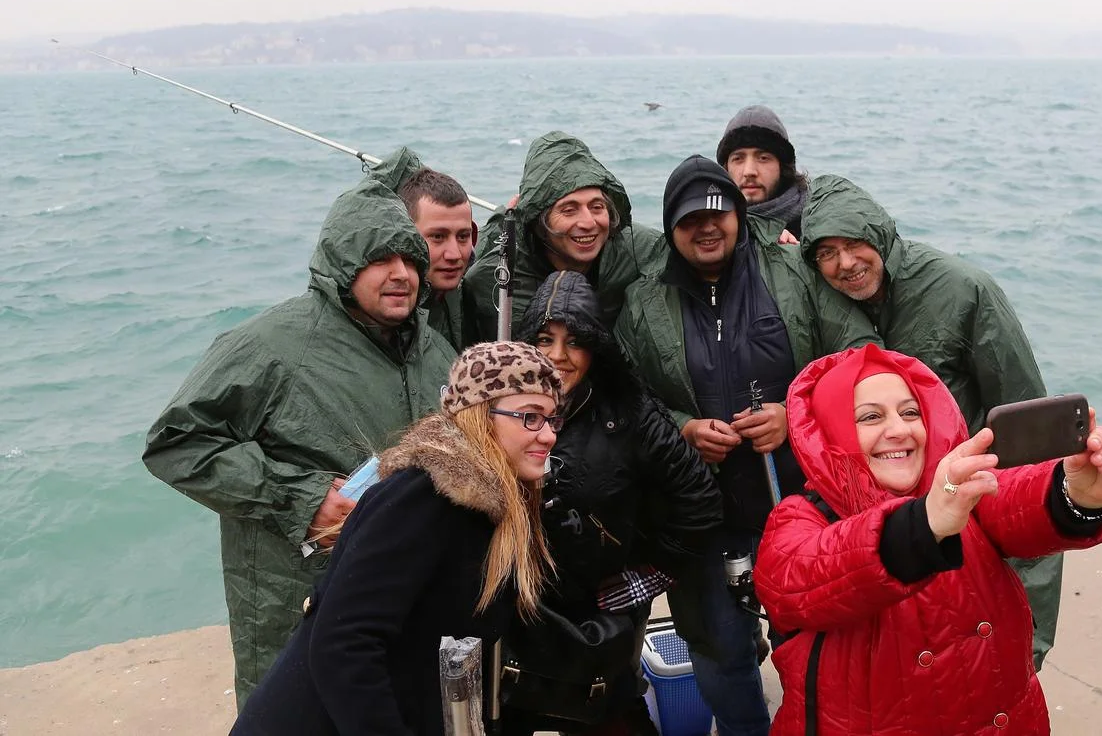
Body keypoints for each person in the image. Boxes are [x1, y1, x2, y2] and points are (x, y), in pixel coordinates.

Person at [143, 160, 458, 708]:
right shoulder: (271, 343)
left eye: (410, 257)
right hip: (295, 593)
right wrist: (303, 498)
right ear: (342, 264)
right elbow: (178, 442)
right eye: (379, 259)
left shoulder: (434, 350)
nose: (402, 273)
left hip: (402, 592)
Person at [614, 156, 878, 736]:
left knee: (811, 641)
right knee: (718, 650)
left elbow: (860, 355)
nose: (706, 229)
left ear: (738, 214)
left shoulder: (792, 271)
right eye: (688, 221)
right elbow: (624, 396)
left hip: (801, 504)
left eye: (718, 214)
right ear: (670, 226)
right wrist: (682, 427)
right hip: (697, 513)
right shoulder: (642, 301)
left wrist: (796, 412)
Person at [755, 344, 1102, 735]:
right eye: (870, 417)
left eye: (910, 412)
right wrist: (925, 523)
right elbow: (805, 577)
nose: (899, 430)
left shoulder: (957, 490)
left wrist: (1080, 493)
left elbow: (1019, 499)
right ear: (832, 432)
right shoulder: (798, 519)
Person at [800, 173, 1064, 669]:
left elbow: (1031, 434)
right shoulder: (827, 293)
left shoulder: (963, 289)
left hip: (973, 499)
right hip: (892, 525)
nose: (846, 264)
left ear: (879, 234)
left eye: (855, 244)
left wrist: (1032, 638)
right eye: (827, 253)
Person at [230, 341, 562, 735]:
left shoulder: (497, 509)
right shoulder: (420, 498)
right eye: (529, 417)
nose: (548, 436)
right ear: (479, 417)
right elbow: (343, 645)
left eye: (553, 420)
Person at [500, 271, 724, 735]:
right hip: (519, 609)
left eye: (574, 341)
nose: (558, 357)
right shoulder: (498, 409)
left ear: (596, 347)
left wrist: (651, 575)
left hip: (600, 613)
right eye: (545, 339)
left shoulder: (631, 411)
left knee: (612, 718)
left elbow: (700, 501)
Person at [464, 131, 663, 340]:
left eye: (597, 207)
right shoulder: (495, 277)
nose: (588, 223)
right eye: (569, 210)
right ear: (539, 221)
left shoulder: (641, 250)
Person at [399, 166, 478, 351]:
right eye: (438, 237)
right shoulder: (389, 310)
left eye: (463, 236)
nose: (455, 254)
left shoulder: (470, 288)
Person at [716, 105, 810, 237]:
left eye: (763, 158)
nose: (749, 171)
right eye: (738, 159)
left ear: (782, 166)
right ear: (726, 168)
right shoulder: (711, 226)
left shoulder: (814, 223)